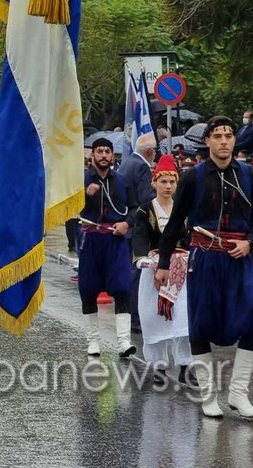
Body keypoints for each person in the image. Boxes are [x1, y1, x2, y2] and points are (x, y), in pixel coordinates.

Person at [158, 116, 253, 418]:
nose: (224, 141)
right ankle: (208, 395)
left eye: (229, 135)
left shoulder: (250, 175)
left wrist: (250, 241)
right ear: (208, 141)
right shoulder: (193, 177)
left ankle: (238, 394)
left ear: (234, 140)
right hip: (204, 258)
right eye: (217, 136)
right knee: (201, 322)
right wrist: (163, 263)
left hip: (240, 258)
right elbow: (176, 222)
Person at [132, 154, 197, 387]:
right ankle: (158, 367)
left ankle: (185, 367)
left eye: (172, 182)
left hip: (181, 271)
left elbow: (191, 236)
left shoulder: (184, 209)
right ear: (154, 183)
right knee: (154, 318)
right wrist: (141, 258)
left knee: (183, 320)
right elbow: (139, 235)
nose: (168, 186)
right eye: (163, 182)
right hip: (155, 269)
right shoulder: (145, 210)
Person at [79, 137, 138, 358]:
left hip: (115, 240)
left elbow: (135, 208)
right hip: (91, 240)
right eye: (99, 151)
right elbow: (70, 209)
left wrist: (126, 224)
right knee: (88, 289)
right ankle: (93, 340)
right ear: (92, 155)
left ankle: (123, 341)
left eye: (107, 152)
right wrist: (85, 195)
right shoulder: (82, 180)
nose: (104, 155)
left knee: (122, 287)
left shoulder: (122, 181)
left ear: (113, 156)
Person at [119, 135, 158, 333]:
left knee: (132, 274)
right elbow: (146, 199)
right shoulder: (141, 167)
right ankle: (136, 318)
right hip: (137, 228)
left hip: (128, 226)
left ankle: (130, 315)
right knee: (139, 275)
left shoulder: (127, 163)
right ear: (150, 151)